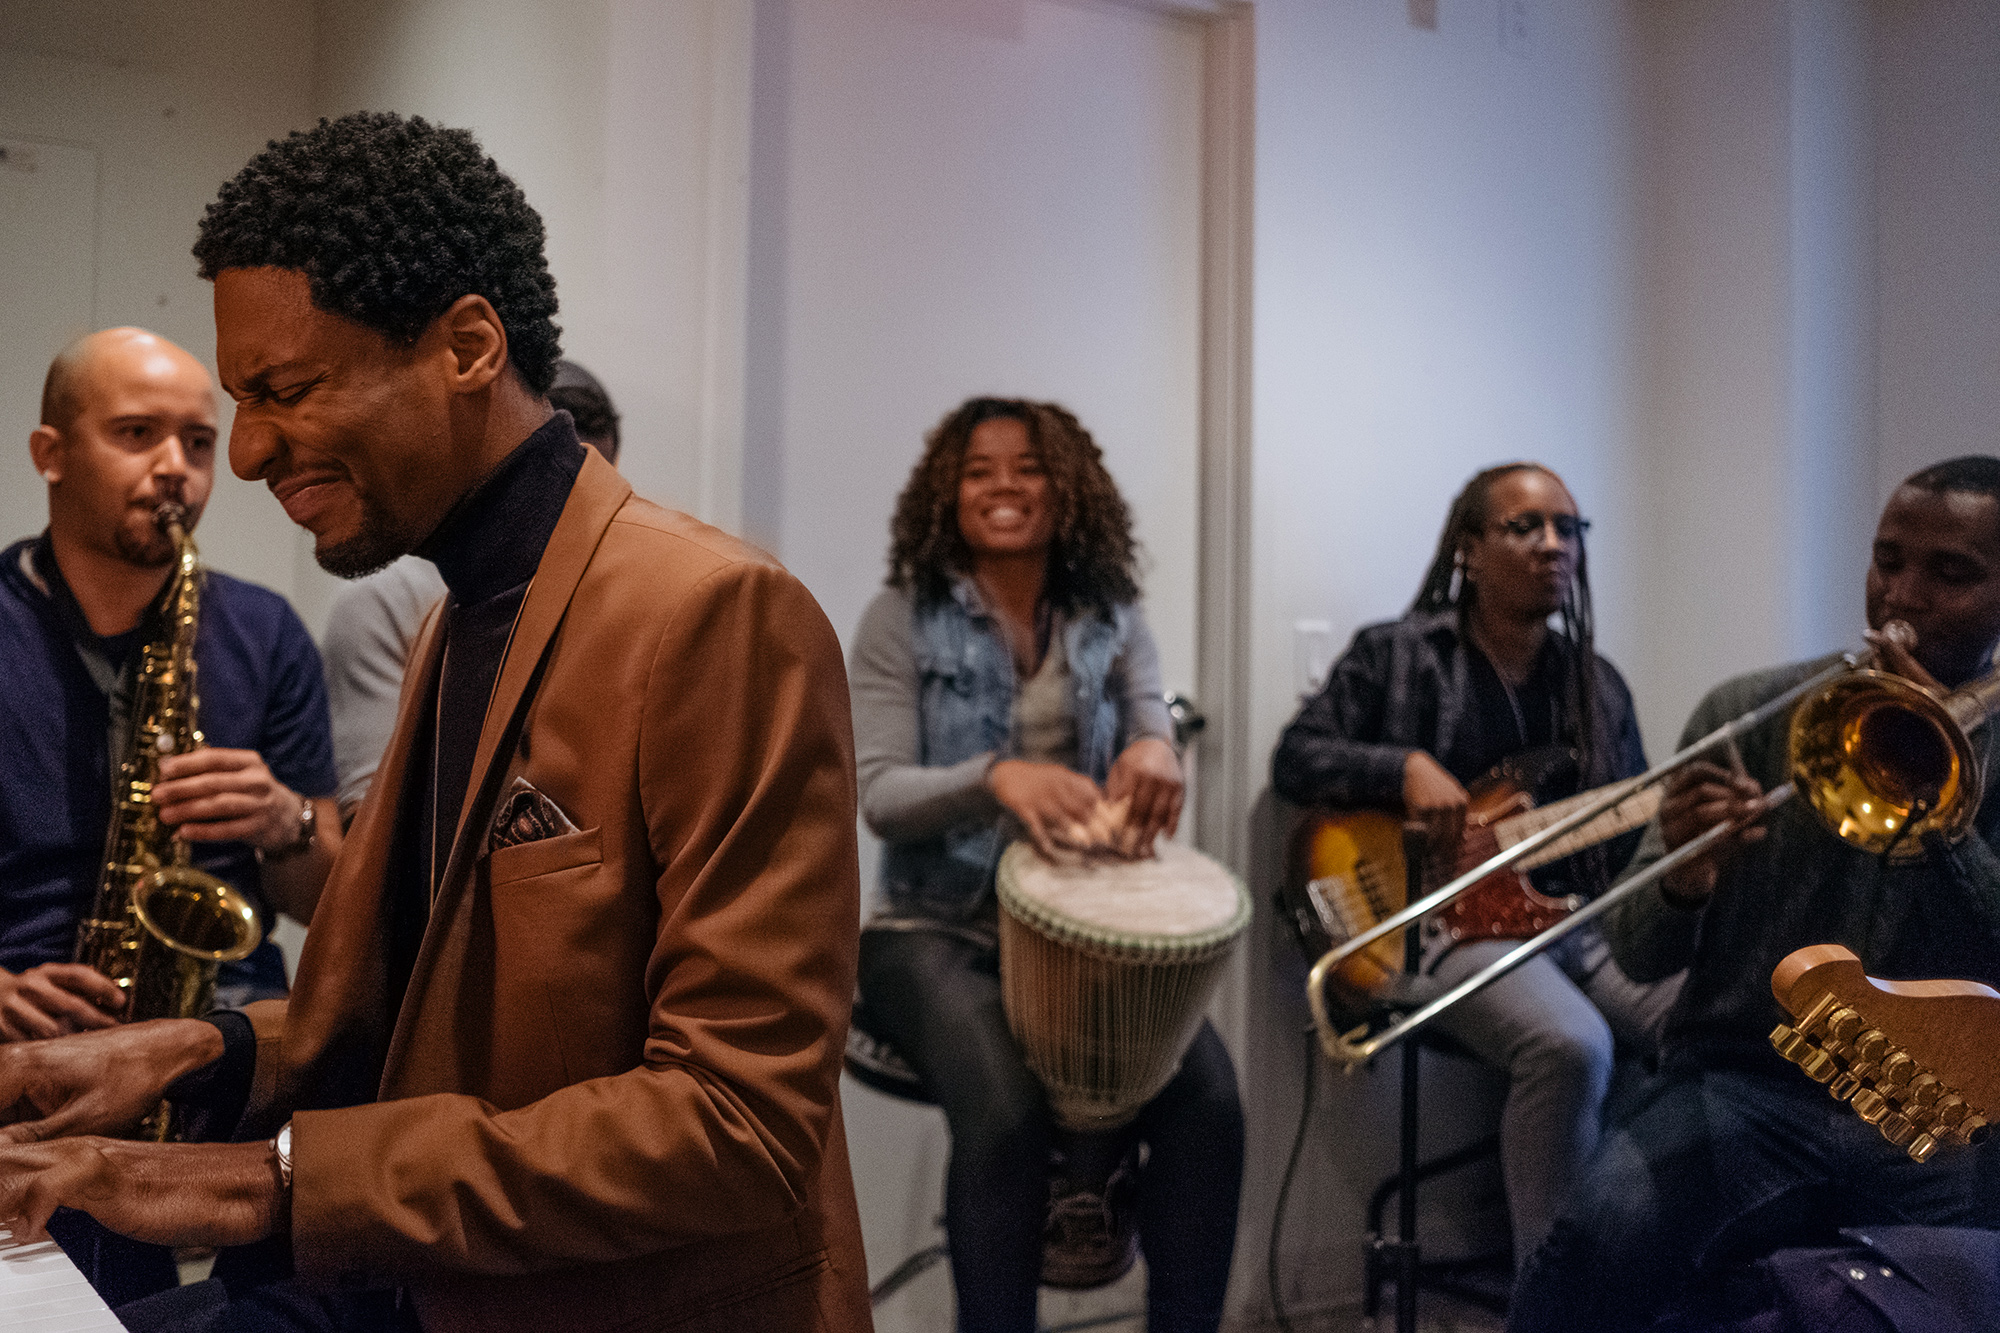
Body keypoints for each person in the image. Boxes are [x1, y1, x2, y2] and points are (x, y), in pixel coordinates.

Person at [0, 112, 870, 1333]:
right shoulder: (451, 616)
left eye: (283, 390)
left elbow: (734, 1123)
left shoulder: (713, 612)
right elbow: (396, 1016)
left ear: (466, 345)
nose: (243, 455)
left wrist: (250, 1181)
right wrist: (179, 1053)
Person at [1508, 457, 2000, 1332]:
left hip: (1939, 1111)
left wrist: (1946, 819)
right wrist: (1687, 883)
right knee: (1593, 1240)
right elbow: (1635, 950)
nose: (1905, 593)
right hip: (1746, 1079)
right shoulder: (1755, 710)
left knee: (1944, 1298)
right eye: (1887, 560)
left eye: (1951, 574)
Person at [849, 396, 1244, 1333]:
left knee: (1211, 1104)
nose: (1004, 487)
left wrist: (1157, 754)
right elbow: (880, 792)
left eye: (1027, 467)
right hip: (930, 927)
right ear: (948, 493)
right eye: (979, 469)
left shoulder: (1113, 619)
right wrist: (998, 778)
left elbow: (1152, 725)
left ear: (1066, 488)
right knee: (1007, 1114)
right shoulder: (899, 618)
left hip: (1080, 928)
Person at [0, 327, 341, 1306]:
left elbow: (325, 900)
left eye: (197, 441)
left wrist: (285, 820)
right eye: (137, 433)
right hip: (30, 1042)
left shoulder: (265, 630)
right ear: (51, 453)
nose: (177, 470)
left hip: (223, 1051)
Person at [1272, 462, 1678, 1271]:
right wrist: (1403, 768)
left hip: (1573, 923)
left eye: (1569, 529)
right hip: (1433, 927)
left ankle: (1640, 1265)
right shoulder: (1396, 655)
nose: (1554, 546)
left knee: (1715, 1018)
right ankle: (1552, 1300)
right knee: (1572, 1047)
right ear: (1470, 547)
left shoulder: (1595, 685)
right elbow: (1297, 758)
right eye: (1526, 527)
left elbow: (1628, 841)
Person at [320, 359, 621, 821]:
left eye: (596, 487)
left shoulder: (624, 592)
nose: (576, 510)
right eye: (560, 485)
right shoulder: (389, 601)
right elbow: (369, 818)